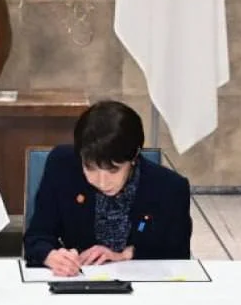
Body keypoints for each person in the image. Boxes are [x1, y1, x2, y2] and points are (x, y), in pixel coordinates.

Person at [23, 100, 192, 276]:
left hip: (142, 284)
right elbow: (37, 236)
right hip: (78, 281)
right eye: (90, 168)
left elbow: (177, 256)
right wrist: (51, 256)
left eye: (113, 170)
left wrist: (126, 255)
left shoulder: (169, 188)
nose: (102, 182)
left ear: (134, 157)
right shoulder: (62, 166)